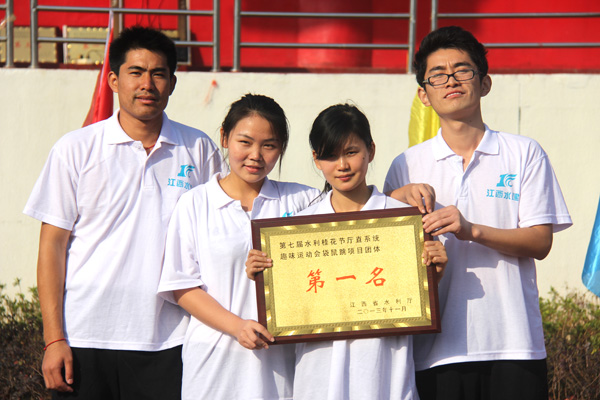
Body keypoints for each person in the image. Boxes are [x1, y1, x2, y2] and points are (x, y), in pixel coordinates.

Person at [23, 26, 226, 399]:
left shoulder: (199, 150)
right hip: (84, 339)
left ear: (172, 83)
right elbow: (52, 247)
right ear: (114, 80)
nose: (147, 84)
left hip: (171, 341)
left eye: (158, 73)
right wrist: (54, 339)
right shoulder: (75, 149)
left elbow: (221, 234)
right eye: (136, 72)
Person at [383, 26, 573, 400]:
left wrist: (471, 230)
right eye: (438, 74)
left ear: (484, 83)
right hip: (435, 351)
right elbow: (391, 259)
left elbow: (540, 242)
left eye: (462, 70)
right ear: (423, 94)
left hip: (514, 345)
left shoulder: (524, 153)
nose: (451, 80)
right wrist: (393, 199)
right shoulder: (405, 165)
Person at [247, 103, 447, 400]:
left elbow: (415, 303)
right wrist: (263, 277)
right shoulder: (298, 228)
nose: (342, 165)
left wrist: (434, 274)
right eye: (329, 155)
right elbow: (287, 310)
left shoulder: (405, 222)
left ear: (371, 150)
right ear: (316, 159)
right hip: (317, 380)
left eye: (351, 152)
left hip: (385, 379)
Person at [157, 94, 322, 399]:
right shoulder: (196, 203)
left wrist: (401, 195)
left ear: (282, 148)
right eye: (245, 142)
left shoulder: (303, 200)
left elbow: (355, 215)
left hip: (280, 366)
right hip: (214, 365)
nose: (255, 155)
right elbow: (182, 286)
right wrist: (237, 327)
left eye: (269, 145)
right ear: (224, 137)